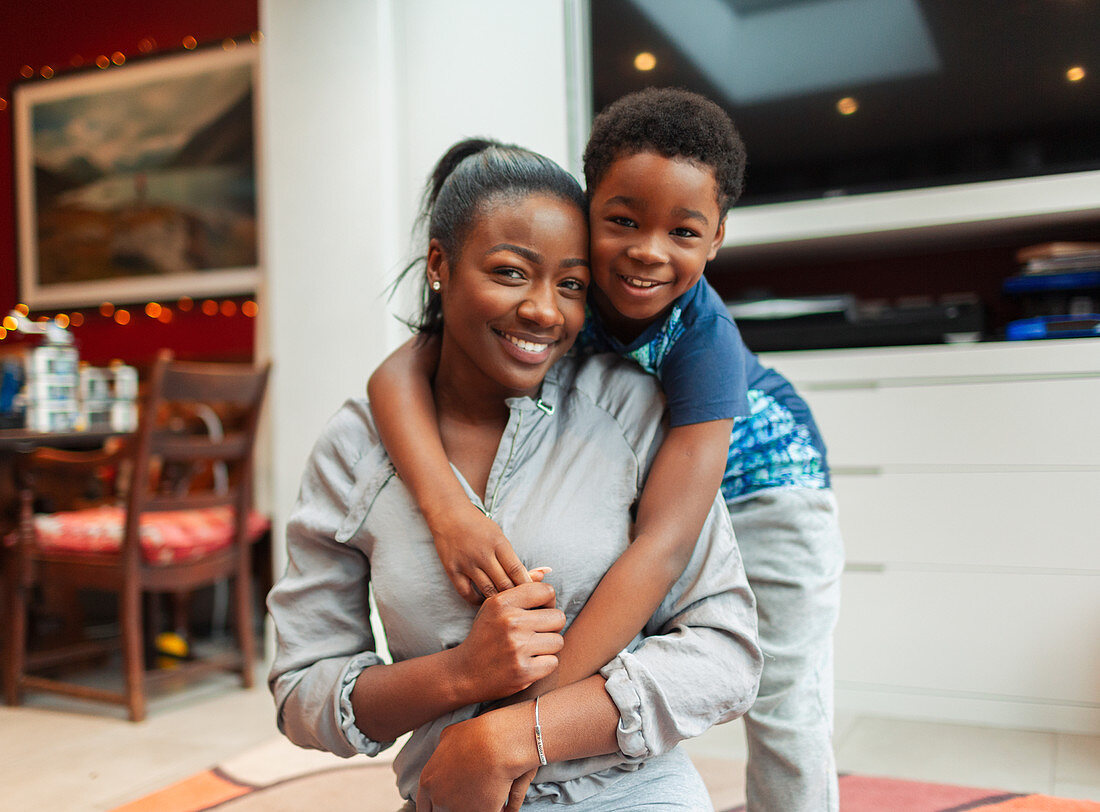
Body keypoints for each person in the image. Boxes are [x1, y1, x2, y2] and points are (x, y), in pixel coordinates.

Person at [368, 89, 845, 811]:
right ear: (588, 206)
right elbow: (398, 372)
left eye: (683, 233)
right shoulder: (559, 287)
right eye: (622, 221)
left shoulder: (703, 343)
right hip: (660, 480)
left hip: (771, 491)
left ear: (716, 240)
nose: (648, 251)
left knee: (784, 702)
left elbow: (662, 546)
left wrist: (525, 723)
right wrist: (449, 513)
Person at [268, 138, 763, 811]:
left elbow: (725, 656)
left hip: (631, 793)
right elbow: (302, 694)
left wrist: (516, 734)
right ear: (439, 264)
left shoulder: (635, 407)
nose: (544, 311)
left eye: (572, 285)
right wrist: (459, 674)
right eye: (509, 272)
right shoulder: (356, 448)